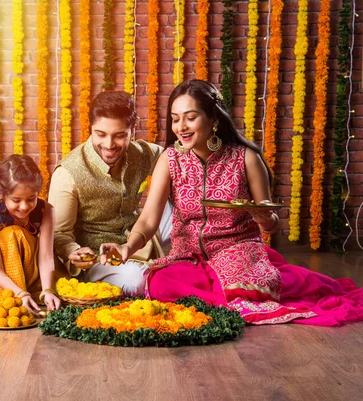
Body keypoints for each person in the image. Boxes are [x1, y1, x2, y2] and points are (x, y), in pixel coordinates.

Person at [101, 79, 363, 325]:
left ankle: (242, 292)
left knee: (244, 286)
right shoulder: (170, 160)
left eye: (190, 118)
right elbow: (148, 220)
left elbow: (270, 225)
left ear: (213, 119)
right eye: (175, 119)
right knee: (161, 284)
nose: (181, 127)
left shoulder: (245, 158)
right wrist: (127, 247)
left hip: (238, 251)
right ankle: (227, 299)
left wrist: (261, 216)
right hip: (187, 256)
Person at [48, 90, 173, 297]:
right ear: (91, 128)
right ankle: (163, 274)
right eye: (100, 134)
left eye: (119, 135)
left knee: (177, 182)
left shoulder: (142, 154)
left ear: (133, 129)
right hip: (100, 260)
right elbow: (59, 234)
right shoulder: (68, 172)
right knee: (137, 281)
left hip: (139, 243)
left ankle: (201, 255)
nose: (108, 145)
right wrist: (73, 251)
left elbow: (173, 157)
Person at [0, 155, 61, 314]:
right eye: (16, 200)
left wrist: (47, 291)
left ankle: (36, 295)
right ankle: (23, 299)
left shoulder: (46, 211)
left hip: (36, 274)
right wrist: (19, 294)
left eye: (31, 198)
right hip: (6, 282)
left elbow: (46, 257)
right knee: (11, 233)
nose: (24, 207)